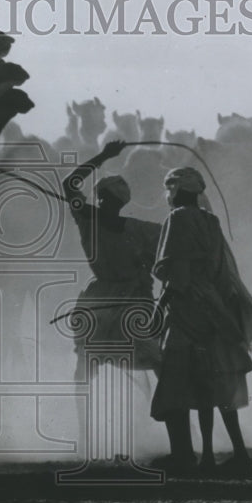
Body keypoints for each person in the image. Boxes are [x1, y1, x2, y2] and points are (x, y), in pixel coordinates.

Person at [151, 166, 252, 475]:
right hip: (216, 309)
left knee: (192, 383)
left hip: (189, 309)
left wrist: (159, 307)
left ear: (174, 192)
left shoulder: (177, 219)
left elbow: (178, 274)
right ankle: (236, 453)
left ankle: (199, 458)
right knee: (219, 383)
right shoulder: (211, 221)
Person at [61, 140, 162, 459]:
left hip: (105, 300)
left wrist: (104, 156)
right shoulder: (139, 229)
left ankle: (87, 437)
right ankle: (85, 436)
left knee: (87, 368)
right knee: (158, 362)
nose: (102, 202)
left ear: (105, 199)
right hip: (126, 300)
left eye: (103, 198)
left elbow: (69, 184)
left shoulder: (87, 218)